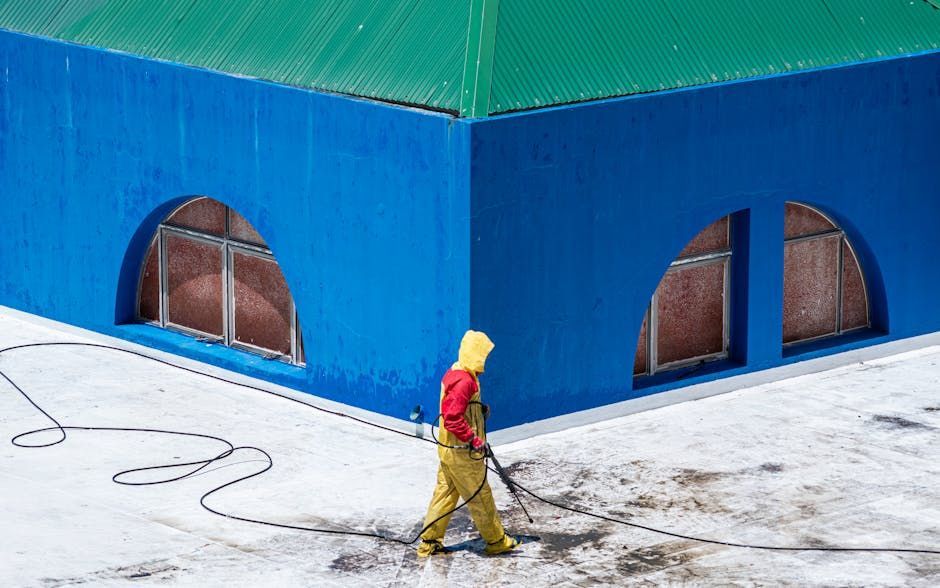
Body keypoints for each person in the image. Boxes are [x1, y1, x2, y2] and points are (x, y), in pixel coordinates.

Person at [416, 330, 520, 557]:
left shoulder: (456, 372)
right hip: (463, 452)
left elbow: (457, 407)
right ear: (476, 354)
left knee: (445, 494)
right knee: (480, 495)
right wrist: (474, 439)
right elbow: (453, 418)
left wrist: (478, 410)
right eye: (484, 354)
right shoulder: (465, 381)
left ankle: (430, 541)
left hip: (447, 450)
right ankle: (496, 541)